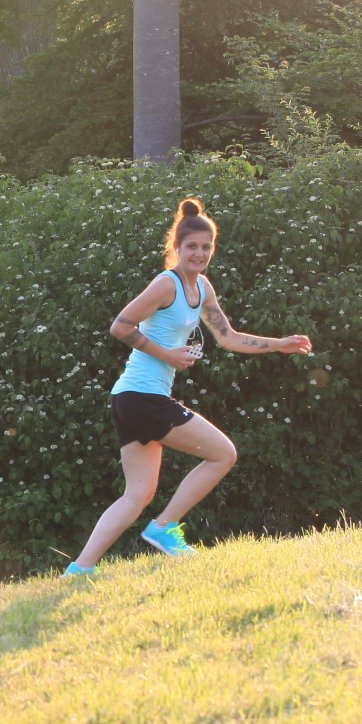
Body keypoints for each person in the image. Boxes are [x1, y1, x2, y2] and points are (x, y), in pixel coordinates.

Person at [66, 199, 312, 575]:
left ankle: (79, 570)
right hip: (142, 397)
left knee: (138, 494)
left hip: (132, 399)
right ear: (177, 247)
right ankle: (163, 528)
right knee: (223, 454)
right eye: (192, 246)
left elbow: (228, 337)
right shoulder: (166, 284)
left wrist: (279, 344)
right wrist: (167, 354)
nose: (199, 253)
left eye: (206, 247)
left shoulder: (202, 288)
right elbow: (120, 325)